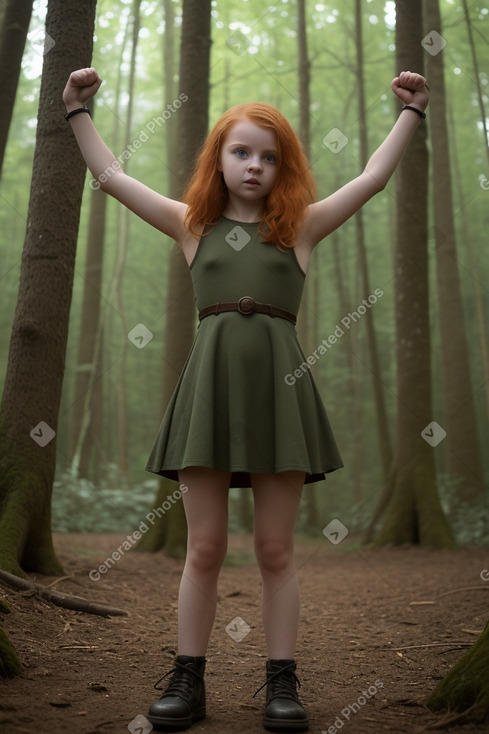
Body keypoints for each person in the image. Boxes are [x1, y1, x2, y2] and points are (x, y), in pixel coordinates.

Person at [63, 67, 429, 733]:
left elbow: (372, 178)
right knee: (202, 548)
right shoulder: (190, 226)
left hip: (280, 398)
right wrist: (76, 113)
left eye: (268, 156)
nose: (254, 165)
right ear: (218, 159)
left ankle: (280, 684)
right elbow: (113, 178)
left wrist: (412, 113)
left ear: (282, 167)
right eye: (241, 152)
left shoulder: (303, 229)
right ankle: (188, 678)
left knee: (274, 549)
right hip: (207, 395)